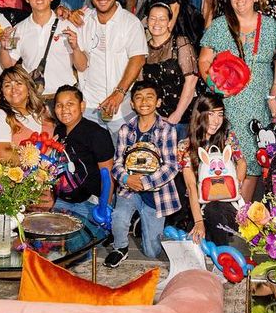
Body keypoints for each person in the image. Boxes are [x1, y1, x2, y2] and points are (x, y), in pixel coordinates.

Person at [198, 0, 276, 200]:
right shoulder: (219, 25)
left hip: (259, 102)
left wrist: (275, 89)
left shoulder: (272, 27)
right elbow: (204, 61)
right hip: (228, 102)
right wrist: (216, 87)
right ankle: (224, 204)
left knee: (254, 157)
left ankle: (241, 212)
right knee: (229, 152)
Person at [106, 80, 181, 266]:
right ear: (132, 104)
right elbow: (117, 164)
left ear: (158, 102)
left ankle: (142, 225)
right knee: (119, 217)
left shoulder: (167, 130)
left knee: (152, 252)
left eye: (150, 97)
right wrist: (126, 178)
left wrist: (144, 183)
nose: (144, 101)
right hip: (128, 189)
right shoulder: (126, 130)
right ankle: (120, 247)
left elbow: (171, 166)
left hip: (156, 194)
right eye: (138, 98)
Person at [70, 0, 147, 137]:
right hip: (89, 105)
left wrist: (118, 93)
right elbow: (82, 66)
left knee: (124, 156)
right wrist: (75, 48)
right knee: (92, 159)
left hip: (120, 108)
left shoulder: (130, 22)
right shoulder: (83, 20)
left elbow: (138, 59)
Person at [180, 93, 246, 246]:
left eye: (220, 115)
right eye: (210, 114)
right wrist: (198, 221)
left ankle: (223, 257)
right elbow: (191, 187)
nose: (216, 121)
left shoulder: (228, 138)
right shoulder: (185, 146)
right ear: (199, 115)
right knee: (200, 229)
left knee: (215, 209)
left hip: (228, 202)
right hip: (200, 205)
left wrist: (238, 184)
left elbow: (241, 162)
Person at [0, 0, 73, 99]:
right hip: (33, 98)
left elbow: (82, 64)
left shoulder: (67, 25)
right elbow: (8, 65)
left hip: (64, 98)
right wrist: (3, 48)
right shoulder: (17, 29)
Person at [51, 85, 115, 220]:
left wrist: (104, 209)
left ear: (82, 106)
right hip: (63, 201)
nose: (64, 110)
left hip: (89, 204)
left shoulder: (97, 134)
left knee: (85, 241)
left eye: (70, 104)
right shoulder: (59, 131)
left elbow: (107, 175)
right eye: (59, 105)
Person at [141, 2, 197, 135]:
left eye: (162, 19)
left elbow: (192, 80)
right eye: (153, 18)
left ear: (169, 22)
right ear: (147, 20)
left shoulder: (180, 43)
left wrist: (177, 114)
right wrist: (152, 114)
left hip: (182, 119)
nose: (156, 23)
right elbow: (142, 85)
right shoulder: (143, 48)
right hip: (155, 119)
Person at [0, 65, 55, 166]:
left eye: (19, 83)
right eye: (7, 85)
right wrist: (40, 165)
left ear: (28, 88)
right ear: (2, 93)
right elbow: (1, 154)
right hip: (21, 179)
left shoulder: (43, 111)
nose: (14, 89)